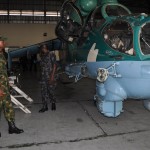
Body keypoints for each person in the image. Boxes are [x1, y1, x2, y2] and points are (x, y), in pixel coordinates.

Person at [0, 39, 24, 137]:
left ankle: (12, 127)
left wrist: (7, 83)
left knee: (8, 107)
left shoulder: (2, 54)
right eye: (2, 41)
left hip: (4, 86)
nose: (4, 43)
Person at [39, 44, 57, 113]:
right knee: (43, 92)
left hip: (50, 76)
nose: (41, 49)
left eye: (41, 48)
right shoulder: (42, 55)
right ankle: (45, 106)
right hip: (43, 77)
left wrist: (52, 77)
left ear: (44, 48)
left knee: (51, 91)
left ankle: (53, 103)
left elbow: (54, 66)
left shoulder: (51, 54)